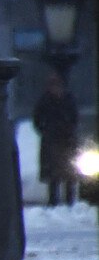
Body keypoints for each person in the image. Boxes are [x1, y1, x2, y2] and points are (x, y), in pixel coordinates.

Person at [32, 71, 79, 206]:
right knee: (54, 175)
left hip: (66, 140)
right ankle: (54, 201)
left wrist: (68, 129)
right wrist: (45, 131)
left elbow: (74, 118)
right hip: (52, 141)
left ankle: (70, 202)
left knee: (69, 173)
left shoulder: (68, 100)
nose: (55, 89)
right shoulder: (45, 101)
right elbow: (37, 119)